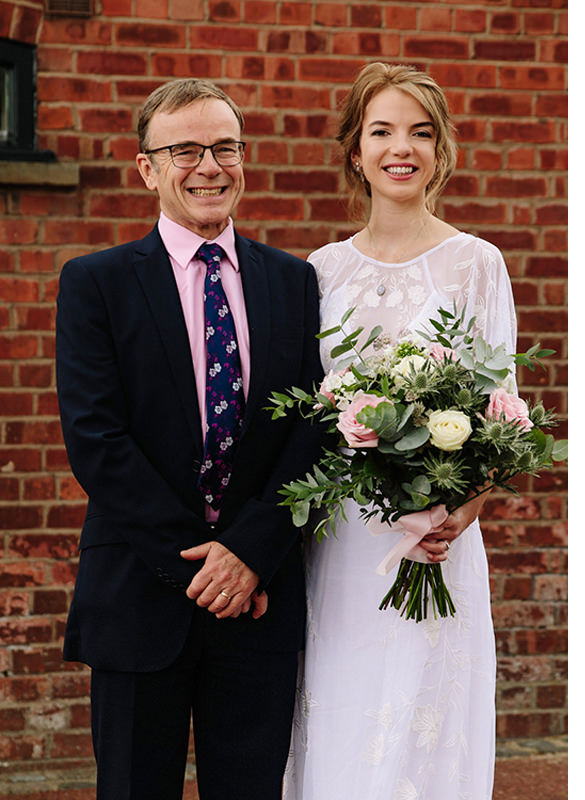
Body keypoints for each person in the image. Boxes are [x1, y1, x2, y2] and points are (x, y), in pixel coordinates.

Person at [55, 79, 325, 798]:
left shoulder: (294, 283)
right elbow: (96, 439)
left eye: (225, 147)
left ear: (244, 157)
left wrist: (251, 555)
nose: (209, 166)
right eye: (185, 150)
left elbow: (312, 434)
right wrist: (211, 571)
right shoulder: (95, 284)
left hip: (259, 604)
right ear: (147, 167)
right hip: (140, 596)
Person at [283, 63, 513, 798]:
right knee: (344, 701)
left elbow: (500, 410)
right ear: (356, 150)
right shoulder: (320, 272)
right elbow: (307, 419)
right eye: (381, 131)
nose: (400, 148)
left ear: (441, 151)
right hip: (343, 536)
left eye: (419, 132)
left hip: (436, 535)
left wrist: (460, 510)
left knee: (423, 708)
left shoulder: (476, 263)